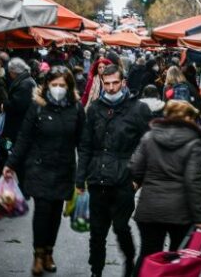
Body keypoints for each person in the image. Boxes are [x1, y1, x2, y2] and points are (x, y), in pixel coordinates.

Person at [3, 67, 85, 276]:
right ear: (47, 85)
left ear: (69, 87)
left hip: (64, 168)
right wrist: (11, 163)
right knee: (42, 211)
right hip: (39, 167)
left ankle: (49, 252)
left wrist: (82, 176)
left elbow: (82, 143)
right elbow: (24, 137)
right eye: (54, 84)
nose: (58, 89)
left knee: (55, 213)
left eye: (62, 85)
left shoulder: (76, 108)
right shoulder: (37, 107)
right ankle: (38, 255)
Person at [75, 65, 152, 277]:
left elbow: (149, 144)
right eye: (106, 83)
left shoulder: (138, 109)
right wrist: (80, 179)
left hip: (123, 180)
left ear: (123, 82)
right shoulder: (95, 108)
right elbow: (85, 145)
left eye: (114, 83)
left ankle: (129, 260)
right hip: (97, 179)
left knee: (120, 227)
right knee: (97, 232)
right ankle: (96, 271)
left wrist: (138, 179)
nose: (110, 87)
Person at [129, 100, 201, 274]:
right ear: (188, 118)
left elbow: (135, 168)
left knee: (147, 254)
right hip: (180, 213)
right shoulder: (193, 142)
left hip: (150, 208)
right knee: (178, 259)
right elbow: (193, 181)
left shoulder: (149, 137)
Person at [1, 58, 37, 174]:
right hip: (17, 126)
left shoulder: (25, 84)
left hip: (17, 127)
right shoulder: (26, 81)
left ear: (13, 71)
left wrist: (5, 104)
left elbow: (17, 105)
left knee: (9, 147)